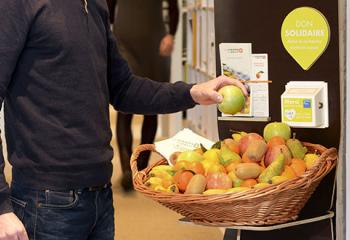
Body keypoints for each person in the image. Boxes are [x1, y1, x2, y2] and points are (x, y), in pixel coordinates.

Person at [0, 1, 247, 240]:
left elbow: (123, 88)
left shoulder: (95, 4)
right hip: (44, 201)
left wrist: (192, 93)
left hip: (100, 195)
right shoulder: (19, 4)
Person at [107, 0, 180, 192]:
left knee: (152, 106)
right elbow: (108, 7)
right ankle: (125, 170)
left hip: (155, 42)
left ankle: (140, 170)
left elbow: (173, 7)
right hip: (124, 41)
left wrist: (171, 34)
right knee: (124, 103)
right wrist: (109, 36)